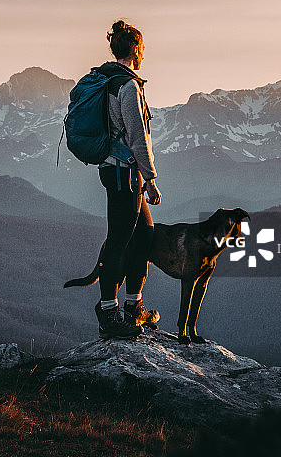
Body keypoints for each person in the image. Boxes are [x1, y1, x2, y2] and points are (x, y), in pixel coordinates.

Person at [94, 20, 162, 339]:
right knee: (120, 239)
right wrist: (150, 179)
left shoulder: (105, 80)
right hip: (124, 173)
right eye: (143, 49)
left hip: (116, 169)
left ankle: (133, 306)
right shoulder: (128, 86)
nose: (144, 54)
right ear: (135, 49)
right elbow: (137, 136)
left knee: (144, 233)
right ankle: (109, 312)